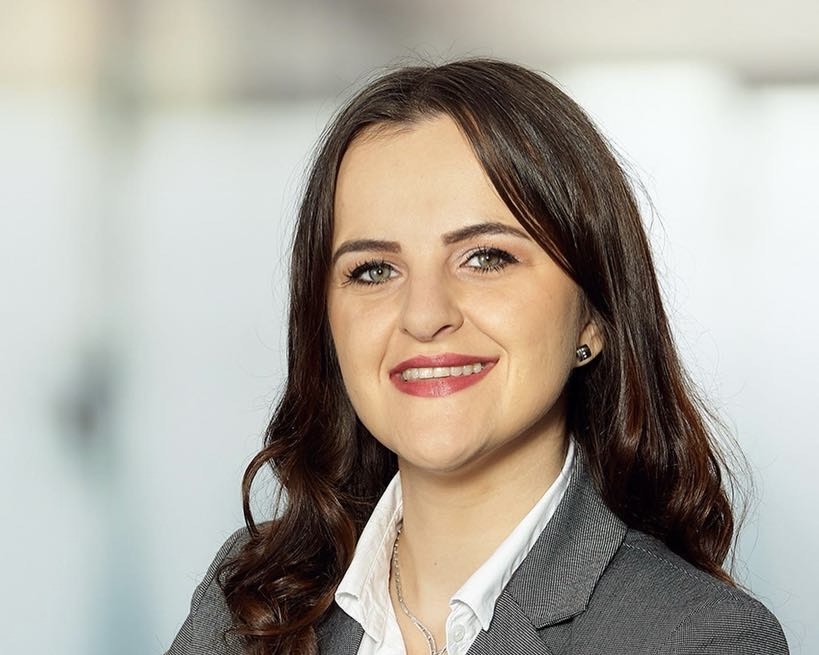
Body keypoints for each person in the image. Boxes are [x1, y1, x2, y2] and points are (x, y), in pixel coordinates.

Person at [166, 59, 788, 655]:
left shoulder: (693, 636)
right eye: (374, 269)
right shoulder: (252, 600)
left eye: (486, 258)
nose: (424, 315)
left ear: (594, 315)